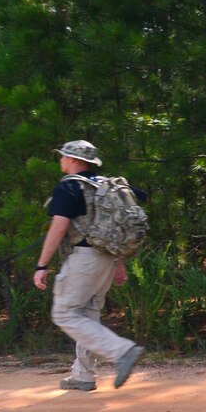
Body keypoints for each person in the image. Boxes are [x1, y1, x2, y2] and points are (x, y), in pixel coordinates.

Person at [33, 140, 146, 392]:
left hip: (84, 259)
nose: (60, 160)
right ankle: (83, 375)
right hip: (107, 257)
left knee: (64, 313)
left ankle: (123, 351)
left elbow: (59, 227)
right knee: (87, 315)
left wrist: (41, 265)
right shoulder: (106, 187)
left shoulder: (70, 186)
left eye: (62, 156)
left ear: (73, 160)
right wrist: (119, 263)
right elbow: (114, 226)